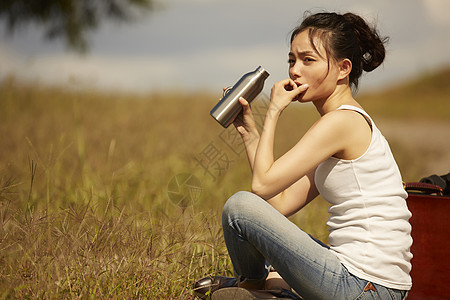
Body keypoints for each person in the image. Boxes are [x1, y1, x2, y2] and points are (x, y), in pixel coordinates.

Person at [193, 11, 412, 300]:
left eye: (308, 60)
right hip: (365, 283)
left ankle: (255, 286)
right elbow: (279, 204)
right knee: (256, 231)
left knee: (238, 207)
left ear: (343, 68)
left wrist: (273, 110)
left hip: (365, 287)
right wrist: (250, 134)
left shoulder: (341, 123)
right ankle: (265, 286)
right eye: (292, 60)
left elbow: (259, 187)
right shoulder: (341, 124)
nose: (295, 70)